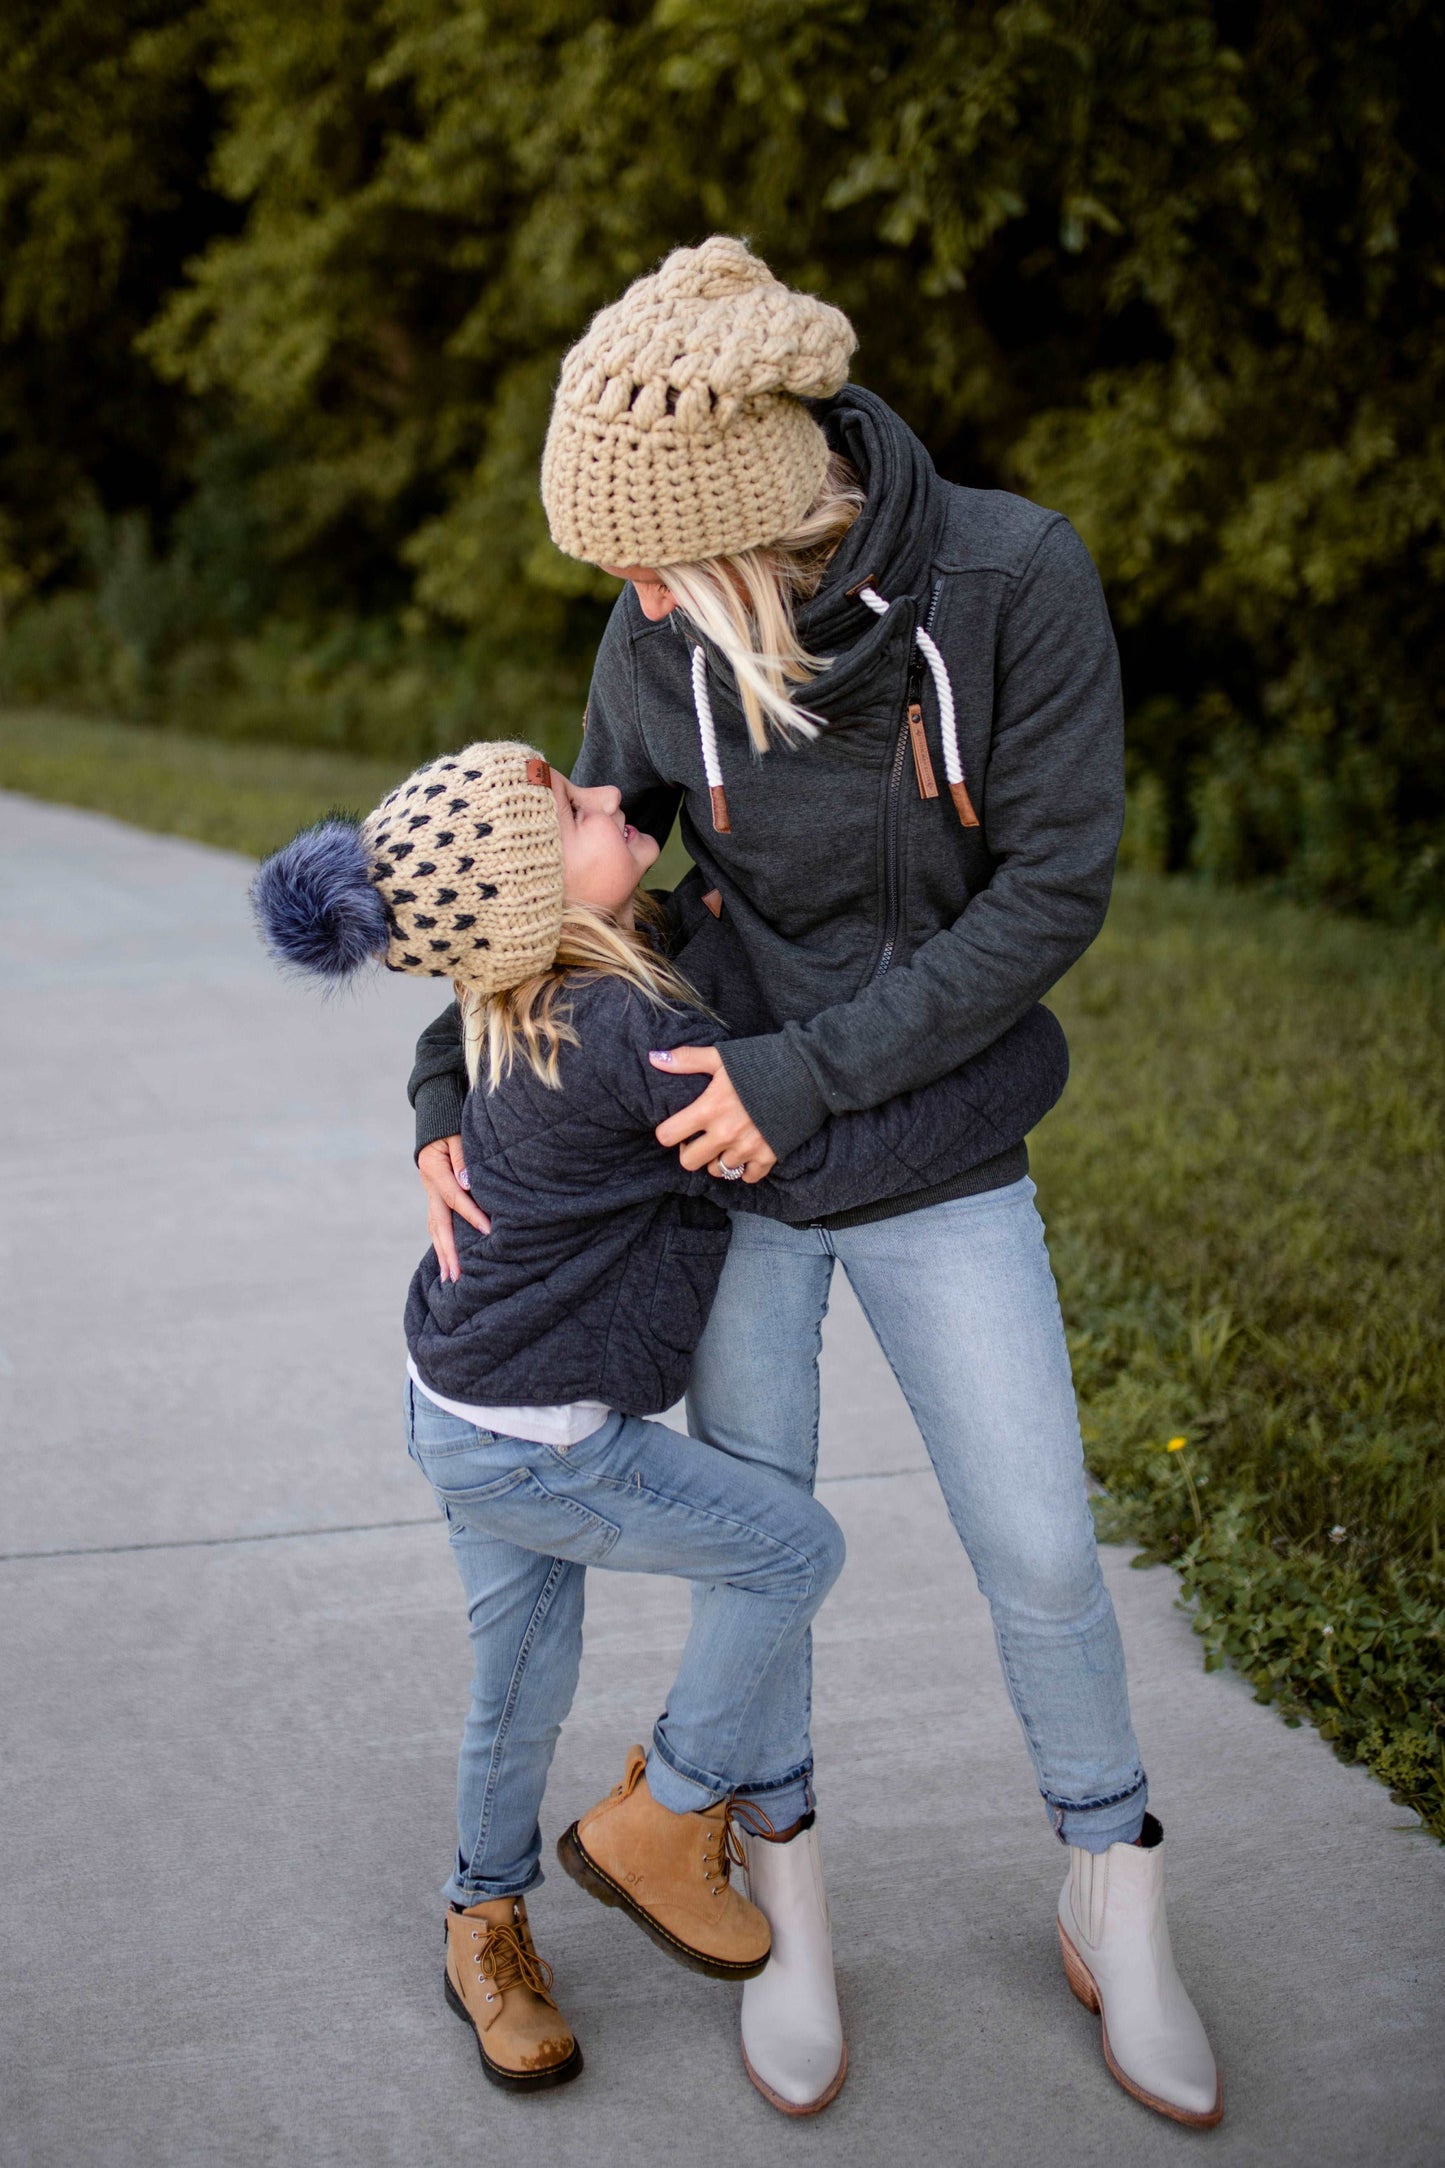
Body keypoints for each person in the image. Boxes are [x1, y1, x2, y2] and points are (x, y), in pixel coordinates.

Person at [410, 237, 1223, 2129]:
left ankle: (1114, 1886)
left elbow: (1047, 898)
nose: (621, 602)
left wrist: (809, 1073)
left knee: (1035, 1543)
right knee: (757, 1555)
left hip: (934, 1140)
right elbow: (559, 879)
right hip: (735, 1178)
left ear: (754, 518)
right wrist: (442, 1089)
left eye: (647, 561)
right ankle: (779, 1891)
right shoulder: (655, 626)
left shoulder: (1015, 579)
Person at [252, 739, 1067, 2102]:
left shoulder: (538, 998)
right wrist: (1017, 1069)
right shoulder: (616, 1036)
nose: (610, 802)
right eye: (573, 813)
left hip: (463, 1402)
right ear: (537, 913)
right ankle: (667, 1813)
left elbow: (505, 1006)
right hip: (531, 1436)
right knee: (789, 1553)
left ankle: (483, 1913)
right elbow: (809, 1156)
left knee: (516, 1683)